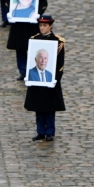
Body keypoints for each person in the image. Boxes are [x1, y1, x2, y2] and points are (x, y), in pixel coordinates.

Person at [24, 14, 65, 142]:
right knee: (39, 107)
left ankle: (50, 131)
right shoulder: (34, 40)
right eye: (40, 25)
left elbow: (60, 64)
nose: (42, 28)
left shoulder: (58, 42)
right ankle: (40, 131)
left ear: (50, 26)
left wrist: (55, 79)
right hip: (37, 80)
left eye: (45, 26)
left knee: (50, 107)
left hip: (50, 80)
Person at [6, 0, 47, 79]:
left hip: (32, 22)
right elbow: (9, 0)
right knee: (20, 47)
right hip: (18, 21)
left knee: (32, 47)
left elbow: (43, 2)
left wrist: (37, 14)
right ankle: (23, 71)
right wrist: (10, 12)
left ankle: (32, 71)